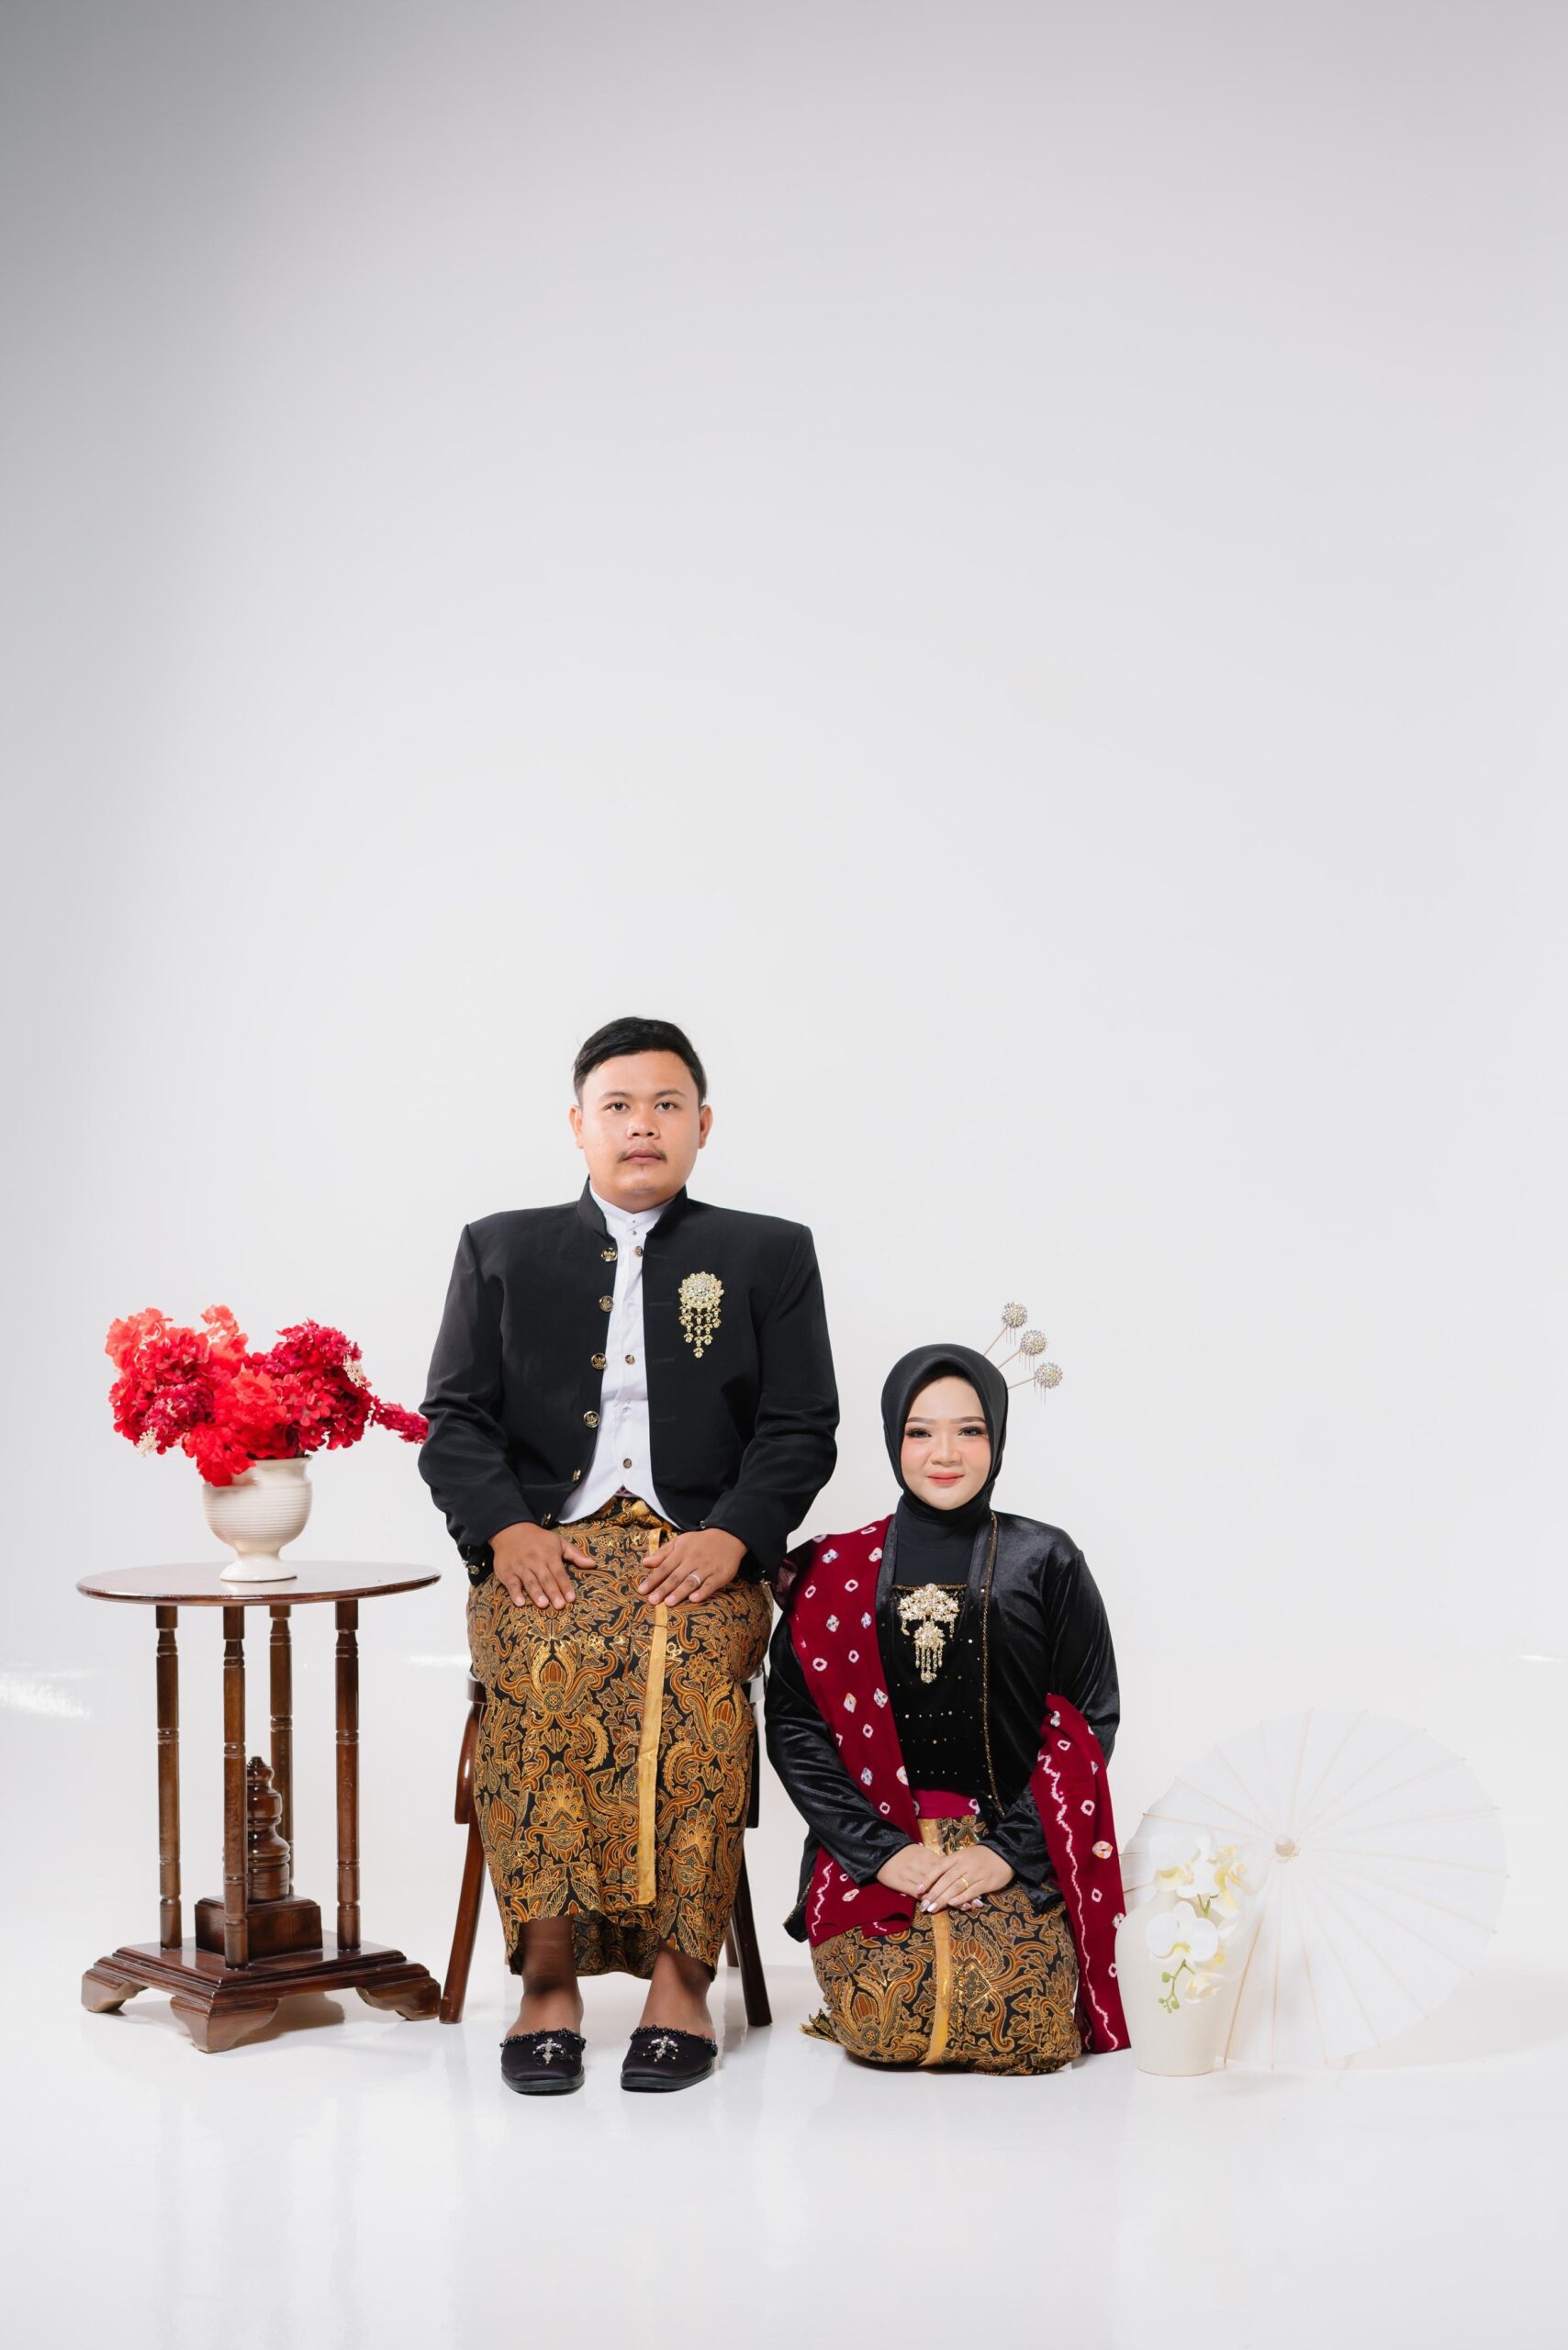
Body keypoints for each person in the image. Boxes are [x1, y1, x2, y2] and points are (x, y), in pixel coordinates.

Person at [419, 1017, 837, 2096]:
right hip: (540, 1545)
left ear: (703, 1124)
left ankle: (681, 1979)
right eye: (617, 1105)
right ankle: (547, 1979)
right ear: (578, 1124)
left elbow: (800, 1425)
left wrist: (733, 1536)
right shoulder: (499, 1248)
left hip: (700, 1549)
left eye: (664, 1105)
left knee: (693, 1669)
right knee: (542, 1661)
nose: (641, 1124)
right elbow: (453, 1420)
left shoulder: (769, 1252)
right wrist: (506, 1530)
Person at [764, 1341, 1127, 2072]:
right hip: (873, 1844)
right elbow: (796, 1727)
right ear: (892, 1437)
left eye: (970, 1430)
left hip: (1013, 1840)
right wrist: (881, 1852)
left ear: (998, 1436)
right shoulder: (833, 1568)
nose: (946, 1454)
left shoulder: (1046, 1559)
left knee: (1019, 2008)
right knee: (884, 2017)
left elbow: (1088, 1720)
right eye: (920, 1431)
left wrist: (1006, 1854)